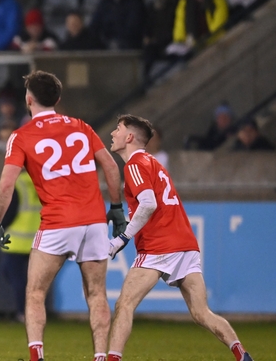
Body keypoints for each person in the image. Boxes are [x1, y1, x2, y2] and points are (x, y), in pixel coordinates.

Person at [0, 70, 123, 361]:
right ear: (58, 99)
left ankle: (37, 356)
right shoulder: (81, 127)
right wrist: (116, 208)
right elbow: (112, 168)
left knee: (35, 292)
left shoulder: (21, 136)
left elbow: (6, 185)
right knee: (97, 293)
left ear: (28, 99)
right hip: (94, 220)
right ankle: (101, 355)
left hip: (58, 222)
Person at [107, 114, 255, 361]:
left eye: (118, 129)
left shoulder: (134, 164)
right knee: (201, 312)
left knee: (125, 304)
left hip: (158, 246)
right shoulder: (153, 163)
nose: (113, 133)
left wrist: (123, 237)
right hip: (185, 244)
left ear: (130, 137)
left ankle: (111, 358)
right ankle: (242, 355)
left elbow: (147, 204)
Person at [0, 169, 42, 323]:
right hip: (37, 238)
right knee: (27, 279)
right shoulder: (40, 181)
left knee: (16, 277)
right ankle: (31, 311)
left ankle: (22, 313)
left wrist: (0, 226)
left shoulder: (18, 183)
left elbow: (10, 211)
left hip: (17, 238)